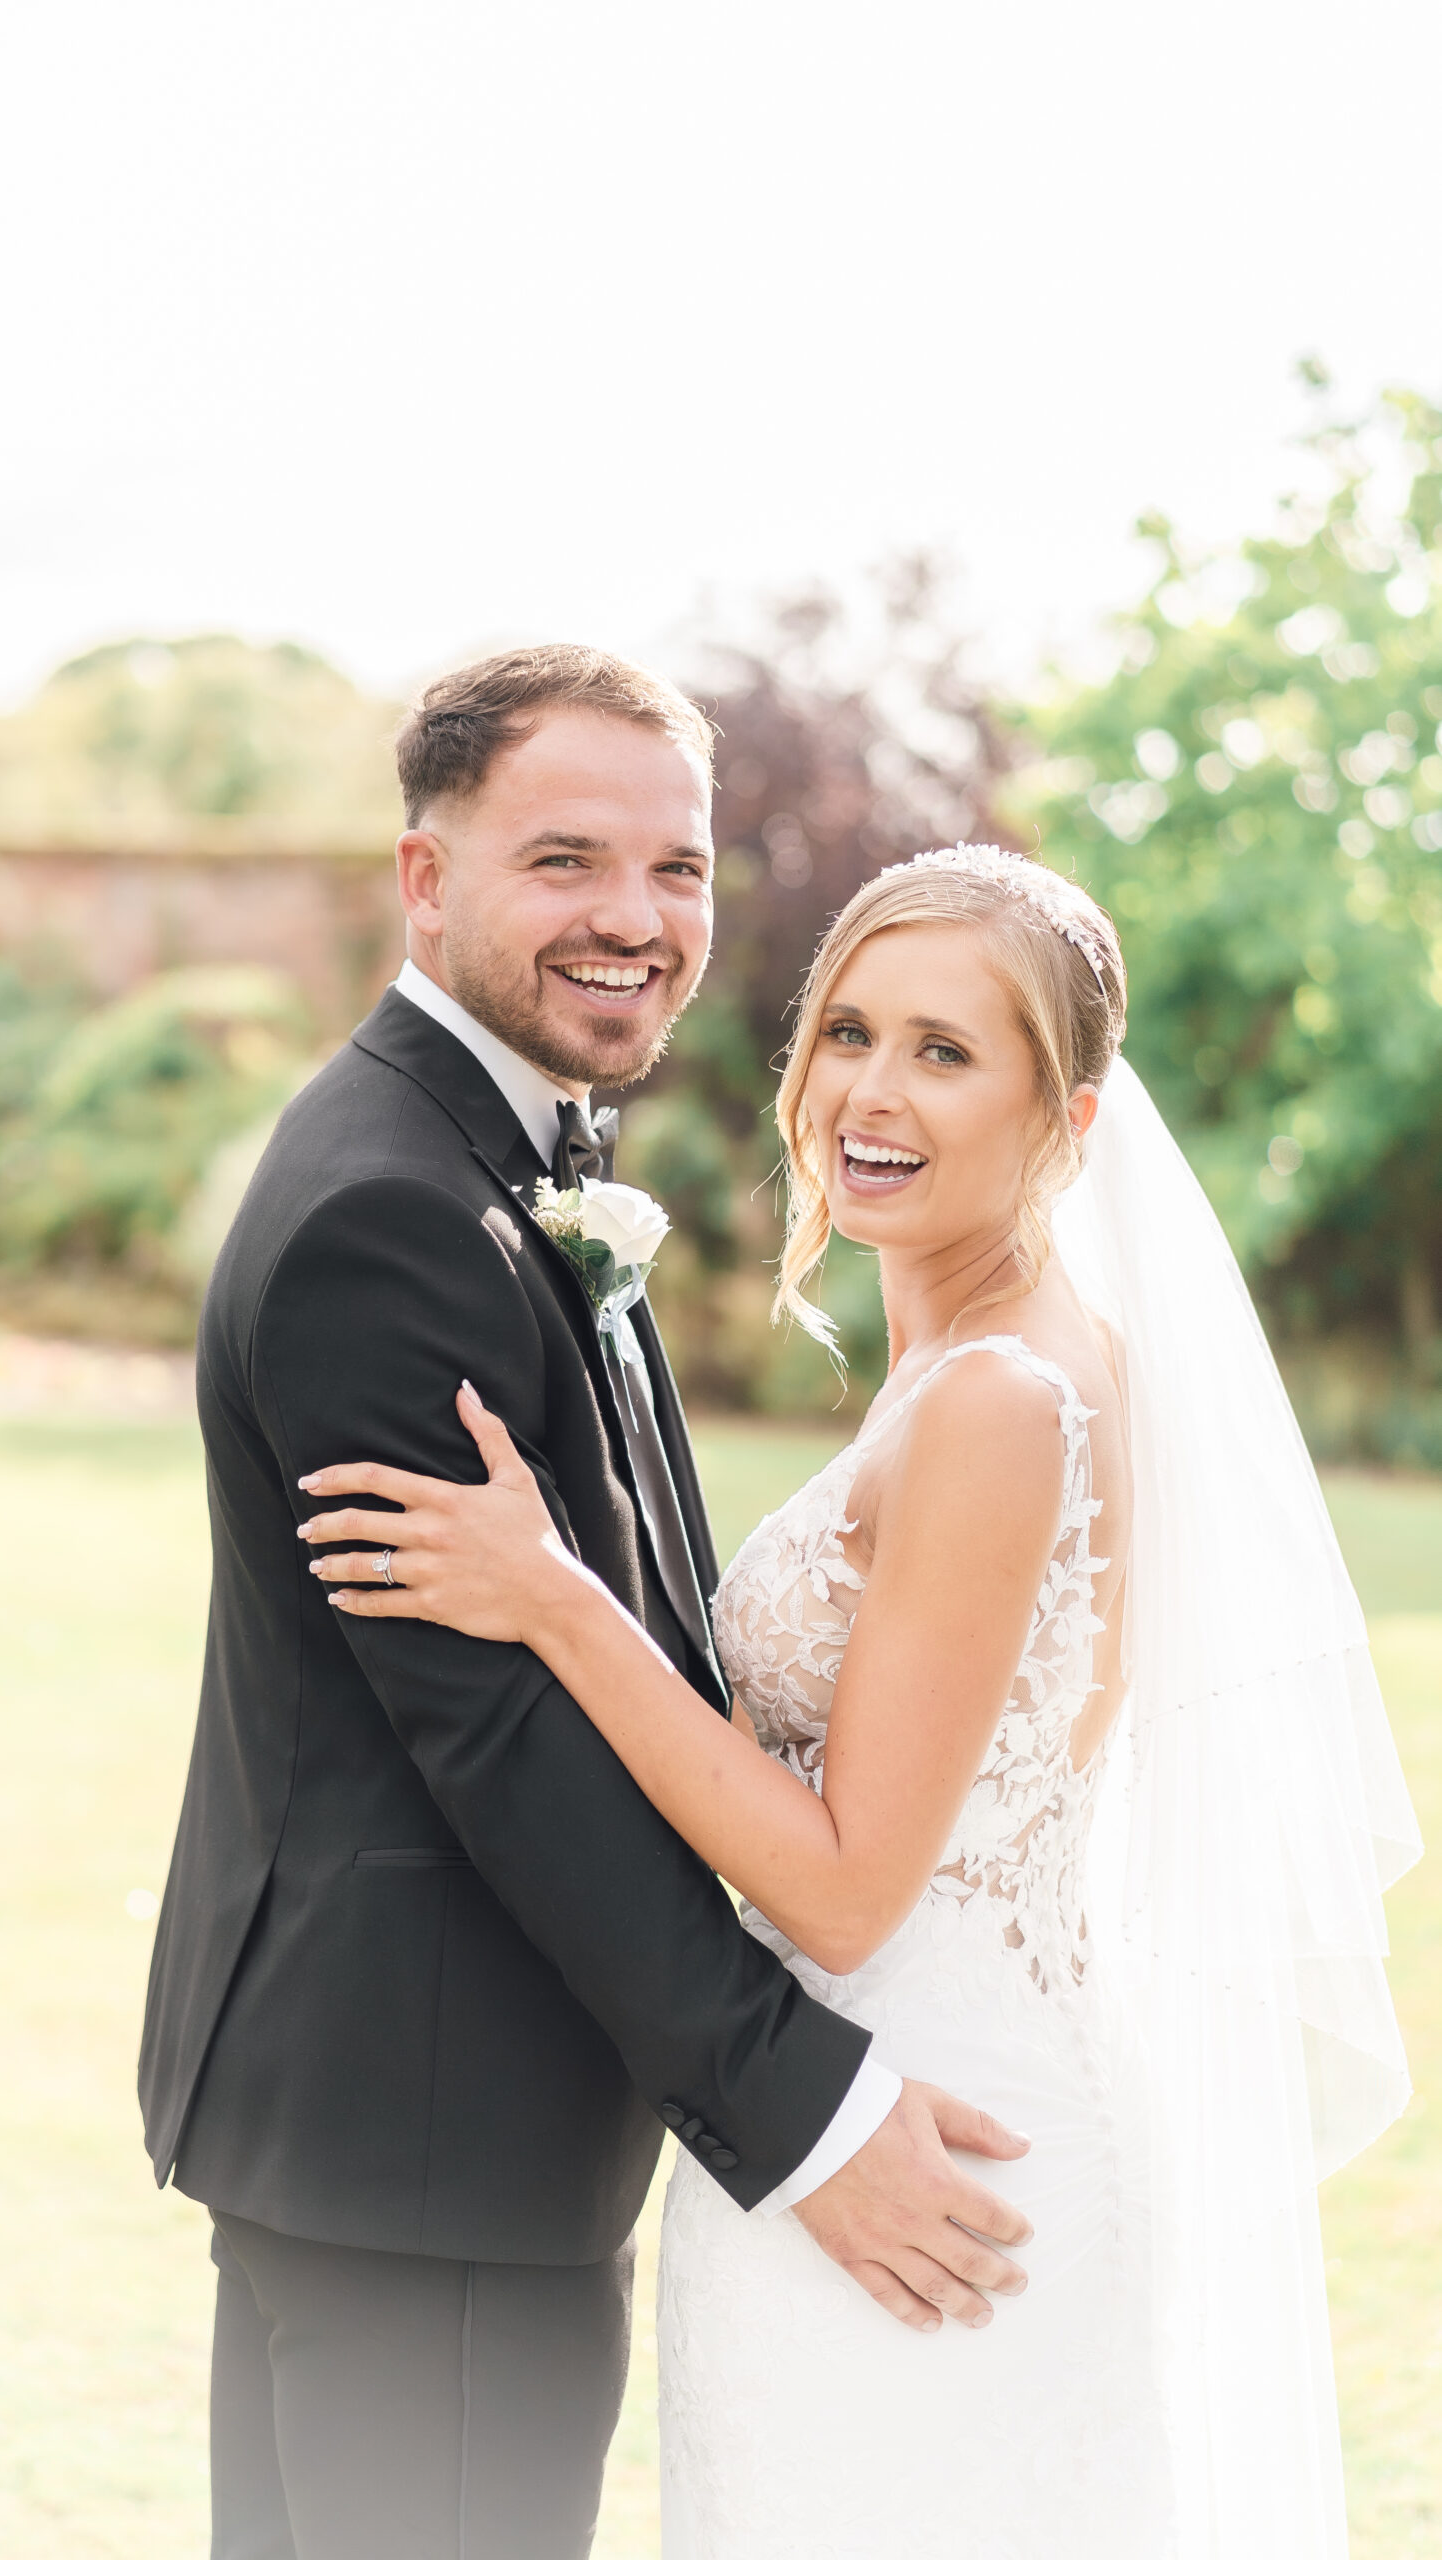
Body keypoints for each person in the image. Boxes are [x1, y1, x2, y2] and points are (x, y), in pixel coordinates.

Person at [307, 843, 1421, 2558]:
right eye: (846, 1033)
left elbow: (839, 1883)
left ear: (1070, 1112)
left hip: (926, 2142)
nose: (869, 1095)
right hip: (910, 2089)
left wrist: (552, 1597)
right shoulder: (980, 1358)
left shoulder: (998, 1399)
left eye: (947, 1052)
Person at [138, 651, 1035, 2560]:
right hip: (432, 2147)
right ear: (427, 877)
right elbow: (503, 1747)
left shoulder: (493, 1161)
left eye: (681, 869)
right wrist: (807, 2114)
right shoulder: (393, 1211)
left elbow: (614, 1640)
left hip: (399, 2139)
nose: (637, 918)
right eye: (567, 859)